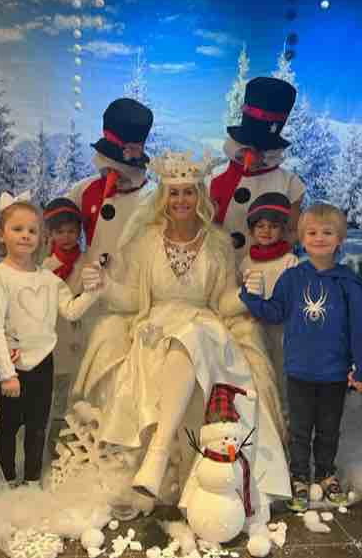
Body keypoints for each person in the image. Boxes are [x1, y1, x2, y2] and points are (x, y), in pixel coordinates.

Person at [82, 151, 290, 524]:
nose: (181, 200)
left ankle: (158, 456)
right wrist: (104, 287)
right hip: (156, 327)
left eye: (189, 192)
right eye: (174, 193)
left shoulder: (216, 243)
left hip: (205, 325)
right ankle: (158, 456)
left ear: (200, 196)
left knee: (192, 336)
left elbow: (222, 302)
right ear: (164, 197)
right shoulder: (146, 242)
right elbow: (133, 299)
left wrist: (246, 294)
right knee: (174, 343)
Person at [239, 203, 362, 512]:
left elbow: (360, 329)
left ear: (339, 239)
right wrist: (250, 297)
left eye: (327, 232)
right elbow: (275, 312)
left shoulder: (348, 283)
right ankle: (299, 476)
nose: (319, 238)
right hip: (299, 371)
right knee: (299, 429)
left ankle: (326, 473)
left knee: (329, 428)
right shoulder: (292, 278)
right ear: (301, 238)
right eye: (312, 232)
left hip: (334, 373)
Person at [0, 198, 101, 489]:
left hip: (43, 362)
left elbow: (71, 310)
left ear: (41, 236)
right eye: (17, 229)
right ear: (1, 233)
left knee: (38, 424)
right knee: (9, 423)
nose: (25, 236)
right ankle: (8, 477)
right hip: (12, 363)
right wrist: (7, 374)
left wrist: (92, 292)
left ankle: (32, 479)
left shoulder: (49, 279)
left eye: (32, 231)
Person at [68, 97, 153, 407]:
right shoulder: (83, 190)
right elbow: (61, 235)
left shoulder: (153, 199)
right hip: (88, 293)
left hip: (128, 300)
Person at [211, 77, 305, 266]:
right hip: (222, 270)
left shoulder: (290, 184)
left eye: (262, 147)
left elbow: (293, 232)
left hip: (266, 273)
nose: (255, 153)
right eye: (250, 145)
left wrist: (270, 257)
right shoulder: (216, 177)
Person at [240, 192, 298, 409]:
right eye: (260, 226)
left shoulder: (289, 261)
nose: (266, 231)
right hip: (254, 328)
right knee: (260, 372)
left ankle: (285, 415)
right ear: (252, 230)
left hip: (281, 331)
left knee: (281, 372)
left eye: (273, 226)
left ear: (283, 230)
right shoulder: (246, 262)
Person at [41, 198, 86, 418]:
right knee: (56, 384)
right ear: (50, 234)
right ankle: (52, 427)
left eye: (71, 231)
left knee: (77, 383)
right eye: (60, 232)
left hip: (80, 333)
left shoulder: (86, 262)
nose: (66, 237)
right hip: (56, 334)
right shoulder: (46, 267)